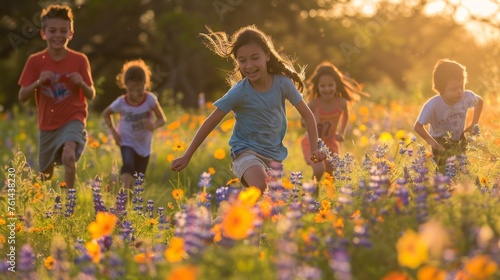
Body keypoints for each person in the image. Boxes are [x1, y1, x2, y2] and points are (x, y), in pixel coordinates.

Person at [170, 25, 325, 193]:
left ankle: (224, 219)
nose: (249, 65)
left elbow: (308, 115)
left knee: (269, 209)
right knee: (259, 186)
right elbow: (211, 121)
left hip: (274, 156)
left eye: (254, 57)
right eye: (242, 60)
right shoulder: (239, 92)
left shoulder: (282, 83)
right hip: (245, 152)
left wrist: (314, 149)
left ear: (266, 55)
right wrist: (187, 155)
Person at [18, 4, 95, 189]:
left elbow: (91, 94)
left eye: (63, 30)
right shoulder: (35, 61)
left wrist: (81, 83)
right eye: (52, 30)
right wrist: (37, 82)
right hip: (48, 124)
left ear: (71, 33)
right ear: (43, 33)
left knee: (69, 155)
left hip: (73, 118)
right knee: (45, 175)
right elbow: (22, 97)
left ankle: (70, 200)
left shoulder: (80, 60)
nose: (58, 35)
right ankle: (40, 200)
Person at [103, 59, 166, 190]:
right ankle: (124, 193)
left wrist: (153, 126)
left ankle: (132, 198)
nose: (138, 93)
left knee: (139, 175)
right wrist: (114, 133)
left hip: (144, 143)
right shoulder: (121, 103)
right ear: (126, 87)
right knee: (128, 165)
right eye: (133, 89)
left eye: (141, 89)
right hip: (126, 140)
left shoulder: (150, 99)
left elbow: (162, 119)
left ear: (146, 84)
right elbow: (106, 113)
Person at [414, 58, 483, 173]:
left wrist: (474, 124)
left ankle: (460, 187)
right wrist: (432, 143)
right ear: (441, 90)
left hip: (459, 137)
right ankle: (443, 188)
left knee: (461, 167)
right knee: (442, 170)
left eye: (462, 86)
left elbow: (479, 102)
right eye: (453, 89)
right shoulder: (432, 105)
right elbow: (418, 126)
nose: (459, 91)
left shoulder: (466, 97)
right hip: (439, 141)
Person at [301, 61, 365, 181]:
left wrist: (342, 132)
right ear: (317, 87)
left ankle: (328, 196)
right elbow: (302, 121)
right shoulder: (314, 104)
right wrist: (311, 120)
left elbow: (346, 114)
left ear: (336, 85)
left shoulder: (341, 103)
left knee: (331, 172)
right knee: (319, 169)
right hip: (312, 143)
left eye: (330, 85)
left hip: (330, 142)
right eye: (323, 86)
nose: (327, 89)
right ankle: (312, 192)